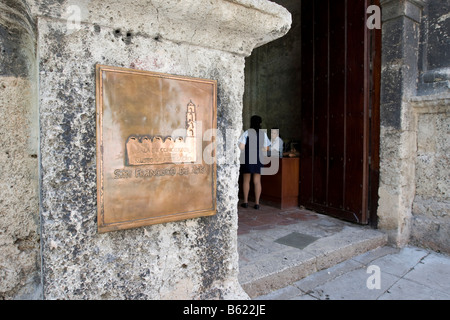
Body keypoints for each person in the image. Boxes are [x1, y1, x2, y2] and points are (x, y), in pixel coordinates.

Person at [238, 115, 271, 209]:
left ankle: (245, 202)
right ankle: (257, 203)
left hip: (247, 158)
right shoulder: (263, 134)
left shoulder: (247, 132)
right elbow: (267, 148)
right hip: (258, 158)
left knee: (246, 180)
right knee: (257, 181)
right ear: (260, 123)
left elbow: (241, 147)